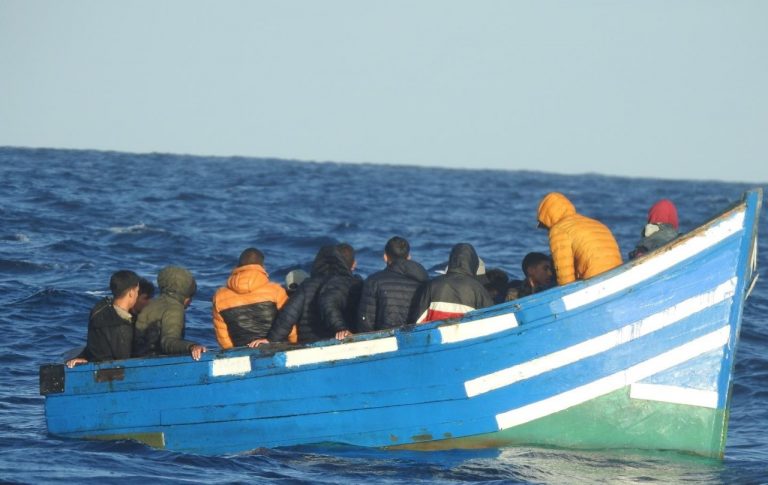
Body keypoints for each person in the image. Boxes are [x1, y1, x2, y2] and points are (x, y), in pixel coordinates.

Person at [252, 245, 355, 346]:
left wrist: (271, 340)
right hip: (338, 343)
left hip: (307, 345)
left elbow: (289, 314)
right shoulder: (349, 283)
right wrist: (344, 330)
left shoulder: (306, 285)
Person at [537, 192, 622, 286]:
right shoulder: (594, 222)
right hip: (617, 274)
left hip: (595, 278)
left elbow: (565, 273)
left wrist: (565, 291)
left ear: (547, 217)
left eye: (544, 225)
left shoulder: (558, 229)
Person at [212, 248, 289, 349]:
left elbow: (223, 337)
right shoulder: (276, 291)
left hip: (239, 352)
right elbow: (288, 323)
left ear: (238, 266)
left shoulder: (219, 297)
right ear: (262, 266)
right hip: (275, 348)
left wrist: (233, 353)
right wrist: (294, 344)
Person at [66, 270, 140, 368]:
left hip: (96, 360)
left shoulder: (99, 309)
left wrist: (86, 358)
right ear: (131, 293)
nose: (137, 295)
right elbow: (124, 360)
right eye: (137, 291)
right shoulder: (120, 326)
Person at [357, 236, 429, 333]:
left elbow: (366, 323)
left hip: (383, 340)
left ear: (385, 257)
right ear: (409, 257)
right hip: (414, 337)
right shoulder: (424, 280)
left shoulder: (374, 281)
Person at [133, 265, 206, 360]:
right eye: (191, 297)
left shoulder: (153, 303)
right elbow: (168, 342)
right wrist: (192, 346)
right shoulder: (175, 308)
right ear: (186, 297)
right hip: (153, 360)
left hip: (137, 356)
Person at [411, 243, 493, 323]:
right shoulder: (477, 288)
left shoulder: (432, 285)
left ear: (451, 259)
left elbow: (418, 319)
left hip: (434, 334)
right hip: (466, 333)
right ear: (473, 263)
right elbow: (490, 318)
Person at [318, 243, 363, 340]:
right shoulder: (360, 283)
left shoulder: (329, 283)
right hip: (345, 335)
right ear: (354, 264)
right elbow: (328, 302)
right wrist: (342, 329)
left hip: (339, 335)